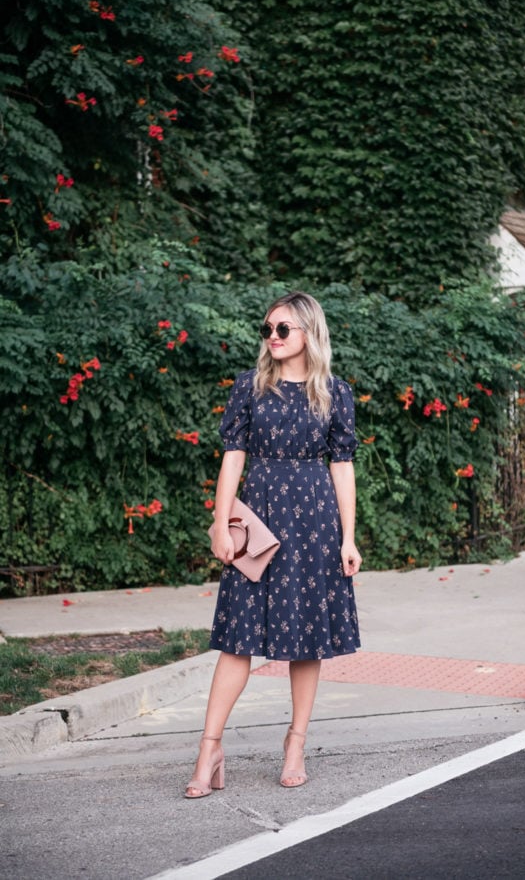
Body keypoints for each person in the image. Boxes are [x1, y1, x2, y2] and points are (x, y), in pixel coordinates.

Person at [185, 291, 362, 798]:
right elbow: (232, 457)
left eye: (283, 329)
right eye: (268, 329)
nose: (273, 338)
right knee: (237, 638)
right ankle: (210, 748)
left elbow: (342, 466)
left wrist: (349, 537)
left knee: (307, 640)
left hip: (314, 522)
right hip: (258, 519)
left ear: (309, 332)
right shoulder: (250, 387)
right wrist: (221, 523)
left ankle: (295, 744)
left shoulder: (334, 392)